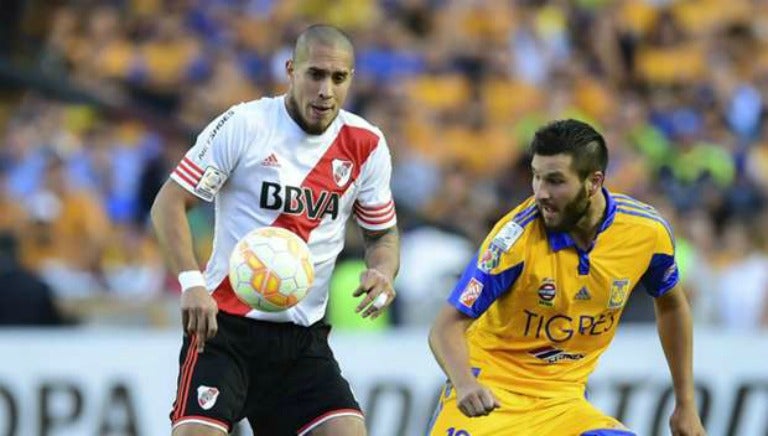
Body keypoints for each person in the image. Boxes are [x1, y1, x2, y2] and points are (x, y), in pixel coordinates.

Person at [151, 24, 399, 436]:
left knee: (347, 432)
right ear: (291, 70)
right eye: (315, 74)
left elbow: (382, 233)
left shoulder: (366, 144)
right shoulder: (245, 124)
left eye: (338, 78)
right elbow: (169, 203)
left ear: (351, 79)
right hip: (224, 329)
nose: (325, 90)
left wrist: (384, 270)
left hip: (301, 340)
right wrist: (192, 282)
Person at [427, 119, 705, 436]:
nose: (540, 193)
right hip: (490, 398)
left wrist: (686, 403)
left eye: (555, 181)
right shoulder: (514, 238)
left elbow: (672, 306)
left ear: (594, 181)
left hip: (563, 405)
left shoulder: (646, 232)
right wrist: (465, 384)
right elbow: (446, 325)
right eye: (536, 177)